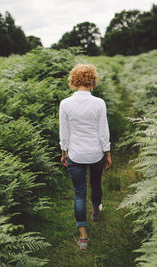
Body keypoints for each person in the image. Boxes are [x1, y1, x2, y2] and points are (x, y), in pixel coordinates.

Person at [59, 63, 112, 250]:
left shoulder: (65, 104)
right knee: (96, 183)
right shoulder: (99, 103)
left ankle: (83, 237)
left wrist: (64, 152)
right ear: (92, 80)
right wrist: (107, 153)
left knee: (79, 193)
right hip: (96, 153)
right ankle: (96, 210)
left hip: (75, 153)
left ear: (73, 80)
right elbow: (103, 131)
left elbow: (64, 133)